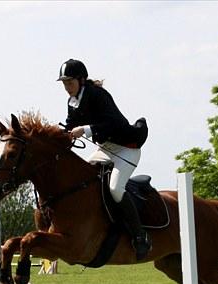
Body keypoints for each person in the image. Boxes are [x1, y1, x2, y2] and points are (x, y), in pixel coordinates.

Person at [58, 58, 151, 260]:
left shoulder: (98, 95)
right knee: (83, 181)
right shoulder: (73, 101)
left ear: (81, 80)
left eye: (70, 83)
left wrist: (85, 129)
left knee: (115, 189)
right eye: (64, 84)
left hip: (127, 148)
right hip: (106, 149)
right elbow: (69, 126)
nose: (67, 87)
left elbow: (114, 123)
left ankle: (140, 236)